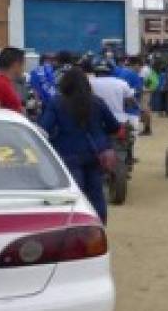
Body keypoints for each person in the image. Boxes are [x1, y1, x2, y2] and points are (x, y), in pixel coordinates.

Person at [39, 67, 121, 223]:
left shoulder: (57, 103)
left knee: (75, 195)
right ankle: (99, 226)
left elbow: (44, 128)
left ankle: (75, 227)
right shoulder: (97, 102)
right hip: (95, 154)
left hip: (67, 154)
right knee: (96, 194)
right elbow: (114, 127)